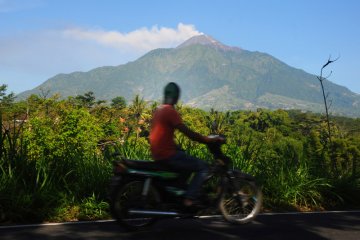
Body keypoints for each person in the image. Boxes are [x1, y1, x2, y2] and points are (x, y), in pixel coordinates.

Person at [149, 82, 223, 208]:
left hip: (158, 154)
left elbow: (162, 137)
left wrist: (177, 147)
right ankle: (189, 199)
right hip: (168, 155)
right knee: (204, 167)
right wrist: (207, 140)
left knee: (184, 157)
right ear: (177, 97)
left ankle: (180, 193)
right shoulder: (170, 111)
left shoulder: (158, 110)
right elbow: (189, 133)